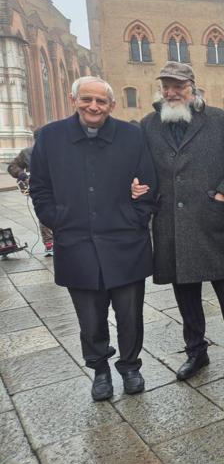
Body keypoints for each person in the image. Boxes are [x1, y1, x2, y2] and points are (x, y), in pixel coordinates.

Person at [30, 76, 157, 401]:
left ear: (111, 106)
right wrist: (56, 220)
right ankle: (100, 368)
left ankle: (130, 366)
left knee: (130, 316)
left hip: (125, 242)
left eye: (101, 101)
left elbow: (149, 184)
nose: (93, 106)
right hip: (77, 245)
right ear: (74, 100)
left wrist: (135, 218)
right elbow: (40, 187)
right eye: (87, 99)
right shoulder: (50, 137)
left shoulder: (131, 135)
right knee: (90, 320)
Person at [135, 62, 224, 382]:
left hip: (212, 222)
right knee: (186, 298)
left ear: (193, 86)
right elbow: (139, 167)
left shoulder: (219, 121)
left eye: (179, 85)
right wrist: (140, 188)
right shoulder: (149, 125)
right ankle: (196, 353)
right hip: (171, 225)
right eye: (167, 86)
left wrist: (223, 196)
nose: (172, 92)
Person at [7, 130, 54, 255]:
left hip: (60, 188)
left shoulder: (59, 150)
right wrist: (21, 174)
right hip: (40, 190)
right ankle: (49, 244)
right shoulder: (27, 153)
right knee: (45, 213)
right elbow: (12, 167)